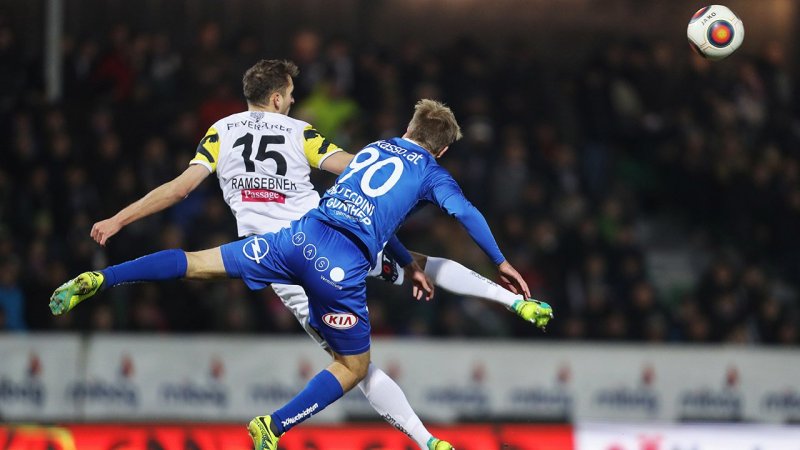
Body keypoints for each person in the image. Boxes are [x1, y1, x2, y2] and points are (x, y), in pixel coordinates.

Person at [54, 59, 551, 448]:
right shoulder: (300, 133)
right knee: (355, 365)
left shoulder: (221, 132)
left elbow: (179, 189)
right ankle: (416, 435)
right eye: (291, 95)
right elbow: (358, 176)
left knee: (194, 262)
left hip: (277, 249)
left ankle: (106, 277)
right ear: (277, 97)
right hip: (330, 250)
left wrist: (119, 219)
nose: (294, 102)